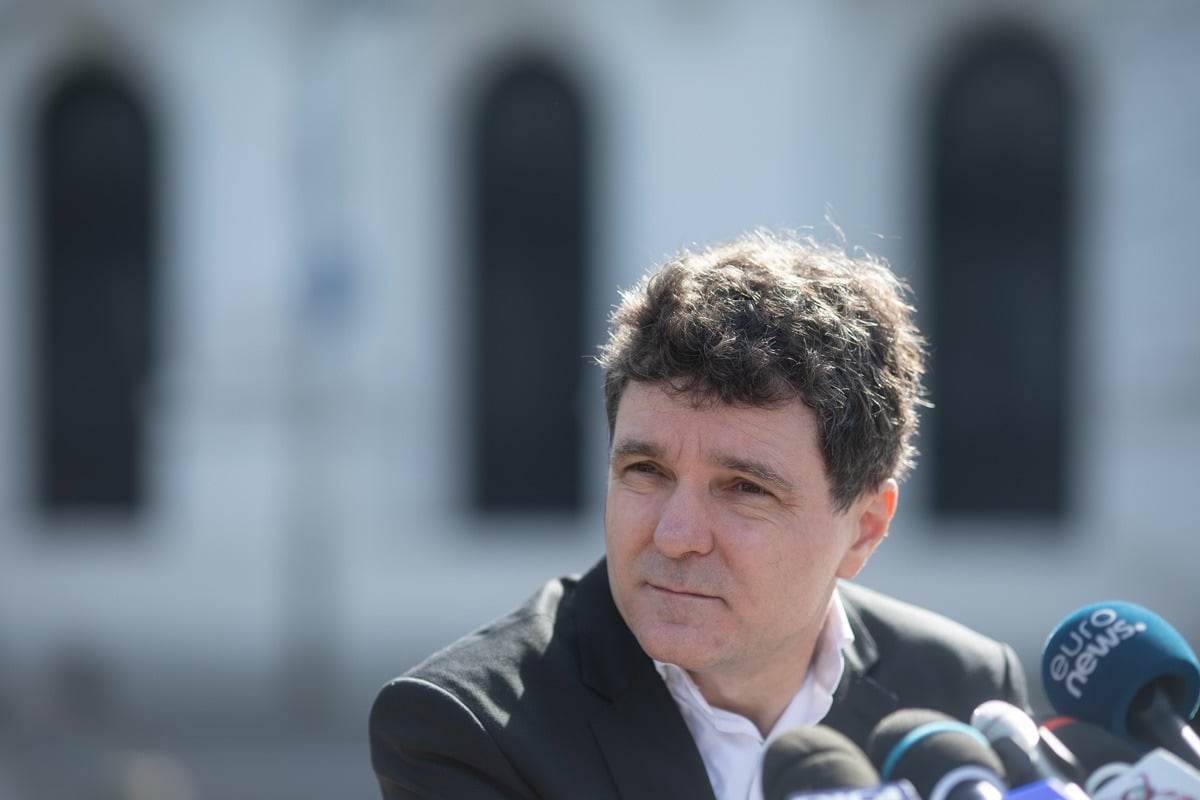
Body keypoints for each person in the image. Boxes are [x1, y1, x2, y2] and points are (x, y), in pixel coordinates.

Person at [369, 229, 1030, 799]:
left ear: (864, 529)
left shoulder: (963, 691)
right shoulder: (465, 727)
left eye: (744, 488)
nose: (675, 535)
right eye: (645, 471)